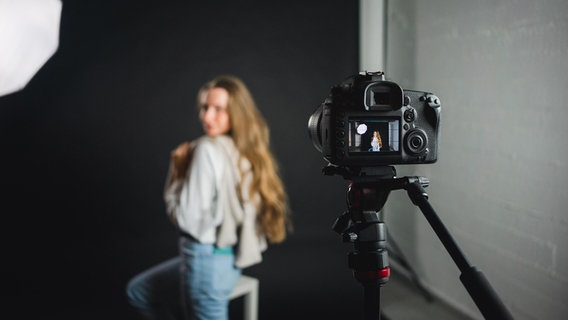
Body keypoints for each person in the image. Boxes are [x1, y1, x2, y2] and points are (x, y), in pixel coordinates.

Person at [126, 75, 292, 320]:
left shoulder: (205, 149)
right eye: (204, 107)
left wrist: (177, 173)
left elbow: (187, 220)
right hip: (230, 263)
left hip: (205, 264)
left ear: (236, 113)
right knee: (139, 291)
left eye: (218, 109)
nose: (206, 116)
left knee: (141, 293)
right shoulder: (244, 150)